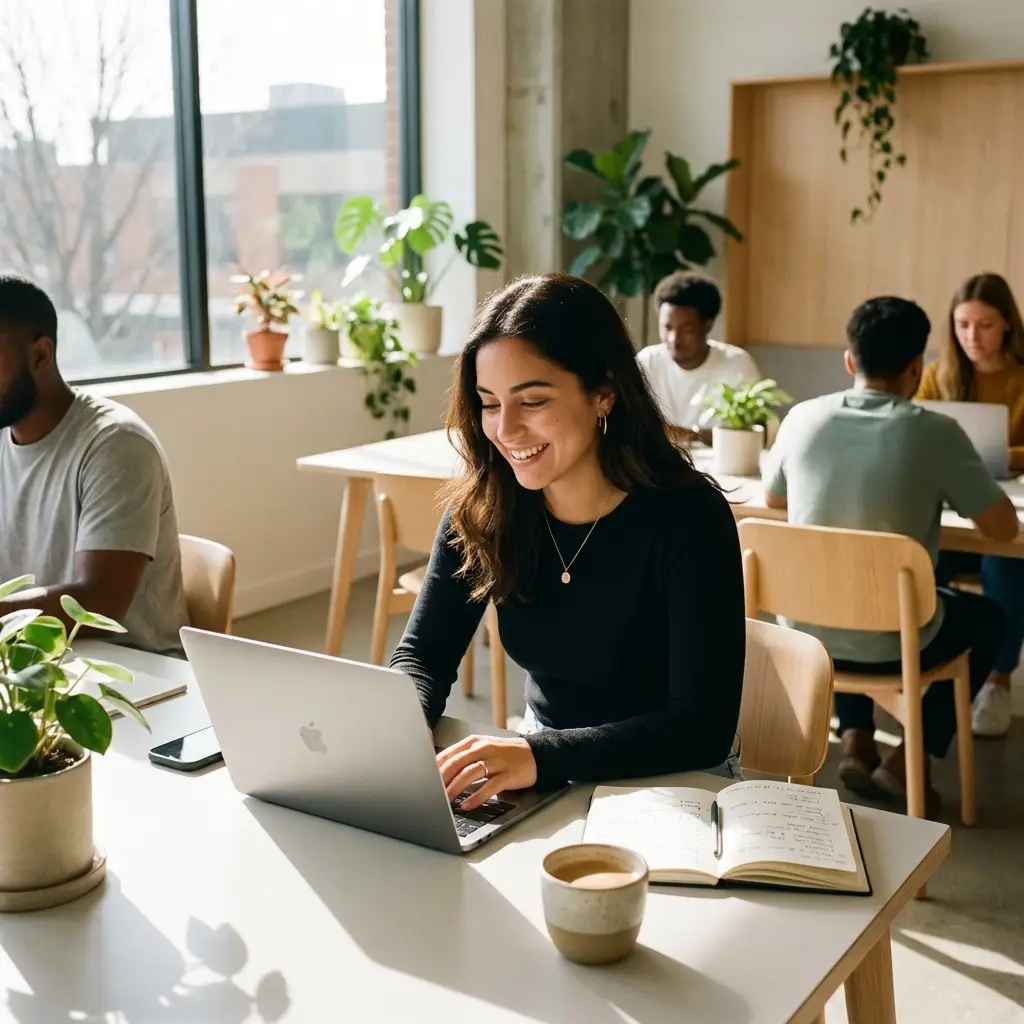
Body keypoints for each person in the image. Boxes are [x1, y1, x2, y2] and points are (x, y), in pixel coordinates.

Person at [390, 273, 745, 812]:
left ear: (604, 394)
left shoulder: (690, 517)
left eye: (532, 401)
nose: (505, 429)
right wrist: (394, 726)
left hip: (677, 781)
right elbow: (422, 656)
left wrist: (539, 756)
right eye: (488, 403)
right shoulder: (488, 508)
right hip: (546, 765)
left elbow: (701, 728)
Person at [763, 296, 1017, 815]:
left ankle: (855, 737)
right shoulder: (936, 432)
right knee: (989, 617)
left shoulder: (801, 419)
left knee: (845, 589)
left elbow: (774, 503)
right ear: (915, 368)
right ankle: (908, 761)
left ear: (849, 361)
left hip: (806, 634)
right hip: (897, 639)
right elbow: (1002, 528)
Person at [0, 274, 189, 656]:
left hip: (134, 674)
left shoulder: (117, 444)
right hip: (30, 661)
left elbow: (99, 603)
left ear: (40, 354)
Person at [917, 272, 1024, 737]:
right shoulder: (939, 374)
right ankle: (929, 670)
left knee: (1006, 564)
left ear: (1007, 325)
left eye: (984, 324)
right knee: (922, 557)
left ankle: (998, 679)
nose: (972, 337)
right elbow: (913, 427)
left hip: (1001, 509)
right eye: (963, 325)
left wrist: (1005, 457)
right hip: (950, 509)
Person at [636, 270, 761, 433]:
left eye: (687, 329)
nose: (674, 339)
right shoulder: (648, 362)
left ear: (707, 325)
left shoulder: (736, 364)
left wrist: (693, 436)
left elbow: (755, 431)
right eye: (667, 328)